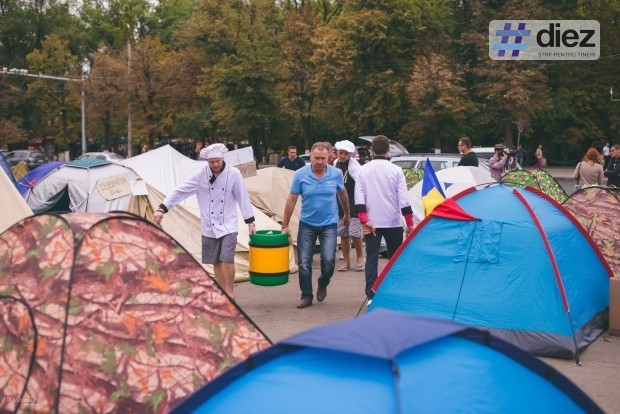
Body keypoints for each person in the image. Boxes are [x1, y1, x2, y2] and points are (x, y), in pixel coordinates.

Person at [154, 143, 256, 301]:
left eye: (218, 161)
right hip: (209, 226)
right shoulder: (200, 174)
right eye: (212, 162)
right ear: (207, 162)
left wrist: (250, 222)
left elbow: (243, 197)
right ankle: (223, 293)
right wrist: (162, 208)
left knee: (227, 258)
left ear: (222, 159)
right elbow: (181, 191)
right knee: (215, 261)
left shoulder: (234, 174)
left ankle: (230, 291)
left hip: (229, 224)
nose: (215, 165)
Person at [282, 142, 350, 309]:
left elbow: (342, 193)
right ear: (310, 157)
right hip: (307, 225)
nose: (319, 162)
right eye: (316, 158)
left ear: (329, 157)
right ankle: (306, 295)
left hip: (329, 224)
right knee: (304, 263)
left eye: (323, 158)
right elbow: (291, 199)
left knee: (329, 260)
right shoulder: (300, 174)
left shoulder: (335, 174)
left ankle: (322, 282)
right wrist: (285, 224)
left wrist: (347, 213)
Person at [355, 135, 414, 306]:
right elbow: (404, 199)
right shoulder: (396, 170)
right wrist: (409, 224)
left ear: (371, 150)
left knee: (371, 258)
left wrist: (363, 220)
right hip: (393, 221)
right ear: (389, 150)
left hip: (371, 222)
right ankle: (394, 291)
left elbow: (359, 198)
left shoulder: (362, 170)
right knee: (394, 259)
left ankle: (372, 295)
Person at [333, 140, 365, 272]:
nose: (342, 156)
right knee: (343, 234)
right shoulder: (335, 163)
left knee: (355, 233)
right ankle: (346, 261)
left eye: (345, 154)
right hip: (339, 203)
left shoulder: (354, 167)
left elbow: (360, 185)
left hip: (353, 203)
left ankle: (360, 257)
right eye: (340, 153)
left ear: (350, 154)